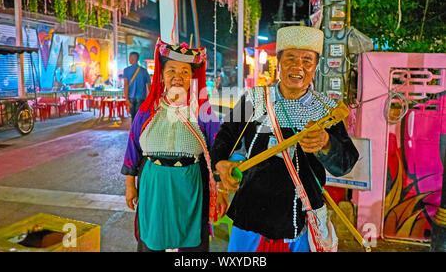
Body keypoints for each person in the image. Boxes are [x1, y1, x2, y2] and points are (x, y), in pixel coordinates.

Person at [210, 26, 359, 252]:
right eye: (290, 58)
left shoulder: (327, 111)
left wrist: (326, 143)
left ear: (316, 66)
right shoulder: (254, 98)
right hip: (251, 214)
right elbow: (226, 135)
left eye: (307, 60)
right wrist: (219, 163)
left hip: (301, 218)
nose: (298, 66)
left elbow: (346, 163)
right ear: (278, 62)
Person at [121, 38, 225, 252]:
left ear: (192, 78)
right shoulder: (147, 109)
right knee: (152, 240)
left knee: (192, 243)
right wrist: (130, 186)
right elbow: (133, 149)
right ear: (162, 75)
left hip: (189, 185)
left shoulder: (202, 111)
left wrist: (221, 188)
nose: (178, 76)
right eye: (172, 71)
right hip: (154, 184)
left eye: (185, 72)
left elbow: (219, 150)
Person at [123, 52, 151, 121]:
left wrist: (126, 99)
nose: (129, 59)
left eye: (129, 57)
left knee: (133, 117)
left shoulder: (126, 70)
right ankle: (139, 131)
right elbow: (149, 86)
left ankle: (134, 131)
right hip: (141, 98)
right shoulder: (144, 71)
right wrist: (150, 99)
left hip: (131, 98)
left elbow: (126, 85)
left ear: (132, 58)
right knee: (139, 118)